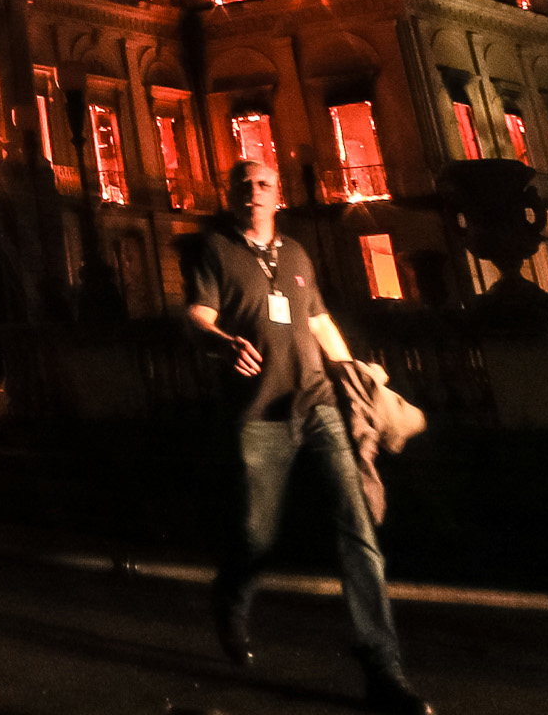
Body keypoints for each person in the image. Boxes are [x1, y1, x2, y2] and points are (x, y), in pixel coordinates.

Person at [184, 159, 432, 715]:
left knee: (357, 526)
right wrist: (223, 341)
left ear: (279, 196)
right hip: (260, 414)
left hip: (317, 404)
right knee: (258, 536)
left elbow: (318, 321)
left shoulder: (296, 253)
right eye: (243, 185)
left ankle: (382, 664)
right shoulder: (216, 251)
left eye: (264, 185)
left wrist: (352, 372)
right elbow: (196, 315)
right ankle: (232, 592)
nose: (254, 193)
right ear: (230, 196)